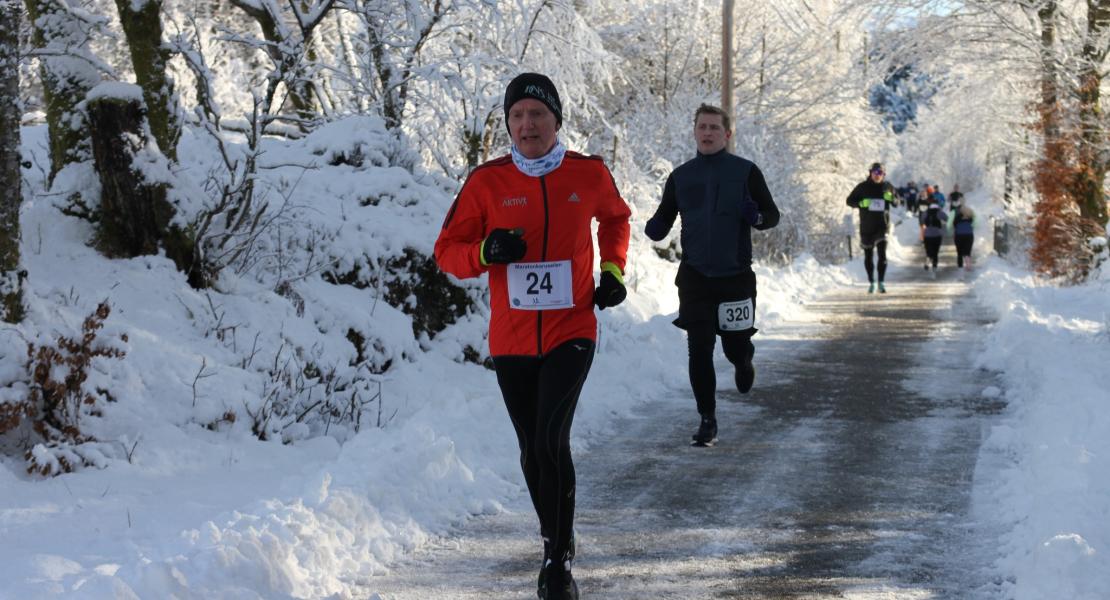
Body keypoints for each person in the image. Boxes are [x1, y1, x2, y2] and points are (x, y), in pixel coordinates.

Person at [434, 72, 631, 600]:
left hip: (573, 329)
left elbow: (616, 219)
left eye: (537, 114)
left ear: (556, 120)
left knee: (551, 440)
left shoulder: (588, 173)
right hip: (512, 338)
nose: (527, 124)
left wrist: (612, 271)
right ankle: (555, 535)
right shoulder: (487, 182)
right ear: (508, 124)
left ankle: (556, 562)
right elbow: (447, 251)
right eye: (517, 115)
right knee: (530, 450)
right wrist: (485, 252)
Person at [644, 104, 780, 447]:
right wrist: (655, 227)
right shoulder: (681, 176)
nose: (707, 133)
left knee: (734, 346)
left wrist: (756, 217)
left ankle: (743, 360)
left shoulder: (746, 172)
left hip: (735, 277)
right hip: (696, 278)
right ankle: (708, 419)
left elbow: (772, 215)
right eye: (702, 127)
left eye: (714, 128)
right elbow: (663, 218)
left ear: (727, 134)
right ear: (694, 132)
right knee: (699, 348)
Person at [846, 162, 896, 293]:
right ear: (870, 173)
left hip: (882, 226)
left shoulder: (887, 187)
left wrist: (891, 198)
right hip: (867, 227)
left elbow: (897, 202)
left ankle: (881, 282)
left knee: (882, 255)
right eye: (875, 172)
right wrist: (861, 203)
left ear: (884, 174)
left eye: (880, 173)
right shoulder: (862, 187)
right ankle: (872, 282)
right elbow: (849, 201)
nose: (877, 175)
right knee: (868, 256)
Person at [919, 197, 948, 277]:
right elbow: (946, 218)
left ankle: (928, 258)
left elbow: (921, 221)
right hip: (937, 234)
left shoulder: (926, 212)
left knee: (928, 250)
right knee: (935, 252)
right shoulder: (939, 212)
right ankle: (934, 270)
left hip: (927, 234)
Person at [948, 197, 976, 273]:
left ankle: (960, 270)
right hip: (969, 234)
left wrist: (951, 231)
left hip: (958, 234)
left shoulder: (954, 212)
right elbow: (976, 222)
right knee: (968, 250)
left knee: (959, 253)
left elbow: (949, 225)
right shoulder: (970, 211)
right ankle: (967, 259)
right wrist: (971, 227)